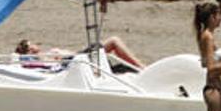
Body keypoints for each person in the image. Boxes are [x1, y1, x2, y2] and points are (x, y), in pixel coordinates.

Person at [15, 36, 143, 69]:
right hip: (78, 61)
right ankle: (142, 67)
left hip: (79, 57)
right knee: (113, 41)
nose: (35, 45)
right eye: (31, 44)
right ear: (29, 50)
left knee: (113, 46)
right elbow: (58, 64)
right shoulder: (41, 59)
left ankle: (139, 67)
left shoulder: (44, 56)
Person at [195, 2, 221, 111]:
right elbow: (210, 66)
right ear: (212, 17)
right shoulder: (207, 37)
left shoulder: (206, 36)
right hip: (214, 88)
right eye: (219, 14)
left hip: (217, 88)